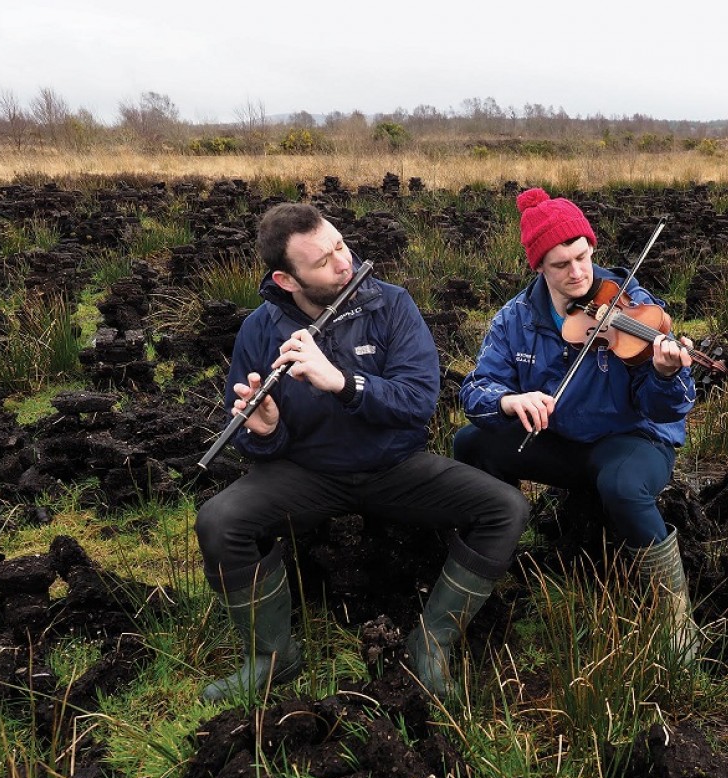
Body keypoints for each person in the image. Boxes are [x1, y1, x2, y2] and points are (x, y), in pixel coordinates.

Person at [195, 202, 530, 702]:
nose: (343, 262)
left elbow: (418, 402)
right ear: (286, 280)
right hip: (308, 474)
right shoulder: (259, 330)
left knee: (506, 508)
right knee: (219, 521)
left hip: (396, 466)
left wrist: (343, 382)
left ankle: (432, 641)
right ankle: (271, 657)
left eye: (340, 245)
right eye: (323, 261)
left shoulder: (391, 305)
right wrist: (264, 431)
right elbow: (251, 441)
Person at [453, 187, 698, 660]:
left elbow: (666, 410)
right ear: (539, 267)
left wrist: (666, 374)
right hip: (561, 442)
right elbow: (475, 390)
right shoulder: (516, 319)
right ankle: (493, 558)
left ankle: (674, 616)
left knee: (622, 485)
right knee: (471, 444)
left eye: (583, 257)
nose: (579, 273)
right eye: (561, 264)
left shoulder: (632, 304)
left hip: (630, 440)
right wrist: (508, 401)